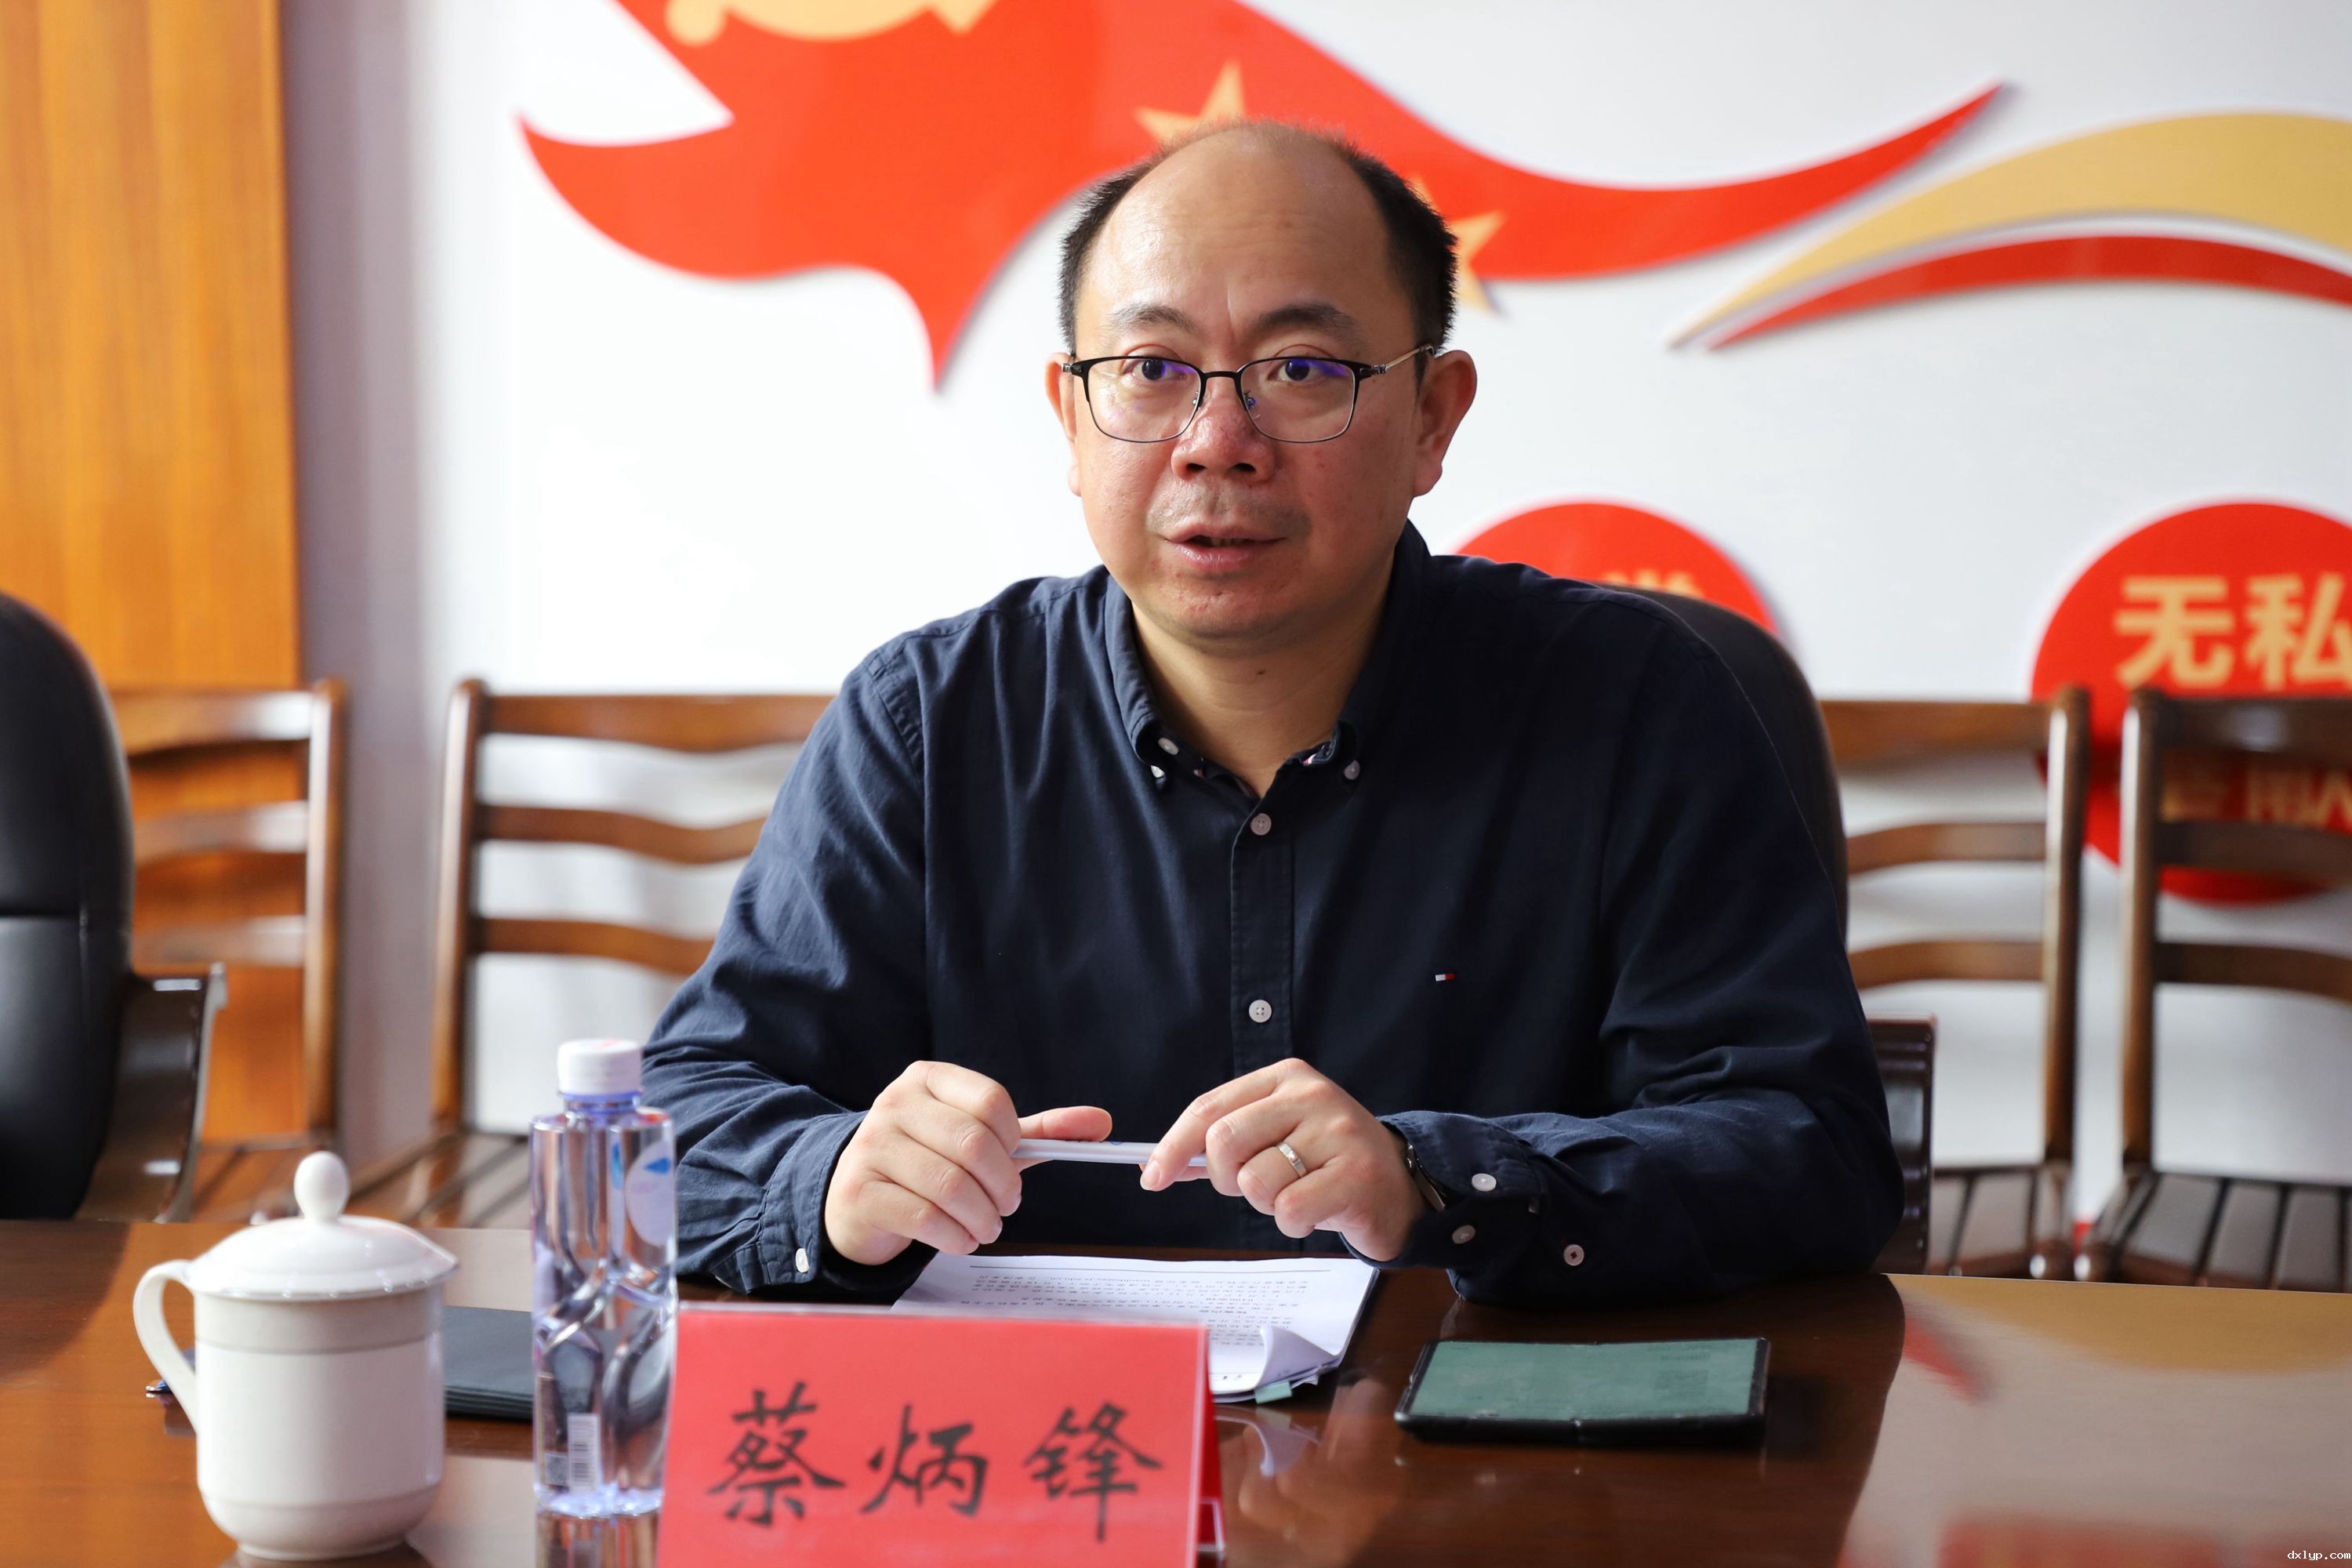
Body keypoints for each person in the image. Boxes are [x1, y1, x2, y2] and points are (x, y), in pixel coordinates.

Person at [642, 121, 1899, 1307]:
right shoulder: (927, 724)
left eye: (1302, 370)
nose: (1217, 442)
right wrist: (834, 1178)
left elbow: (1806, 1147)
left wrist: (1441, 1182)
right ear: (1071, 418)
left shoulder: (1633, 706)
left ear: (1432, 417)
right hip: (1051, 1438)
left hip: (1483, 1440)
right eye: (1151, 370)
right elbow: (679, 1124)